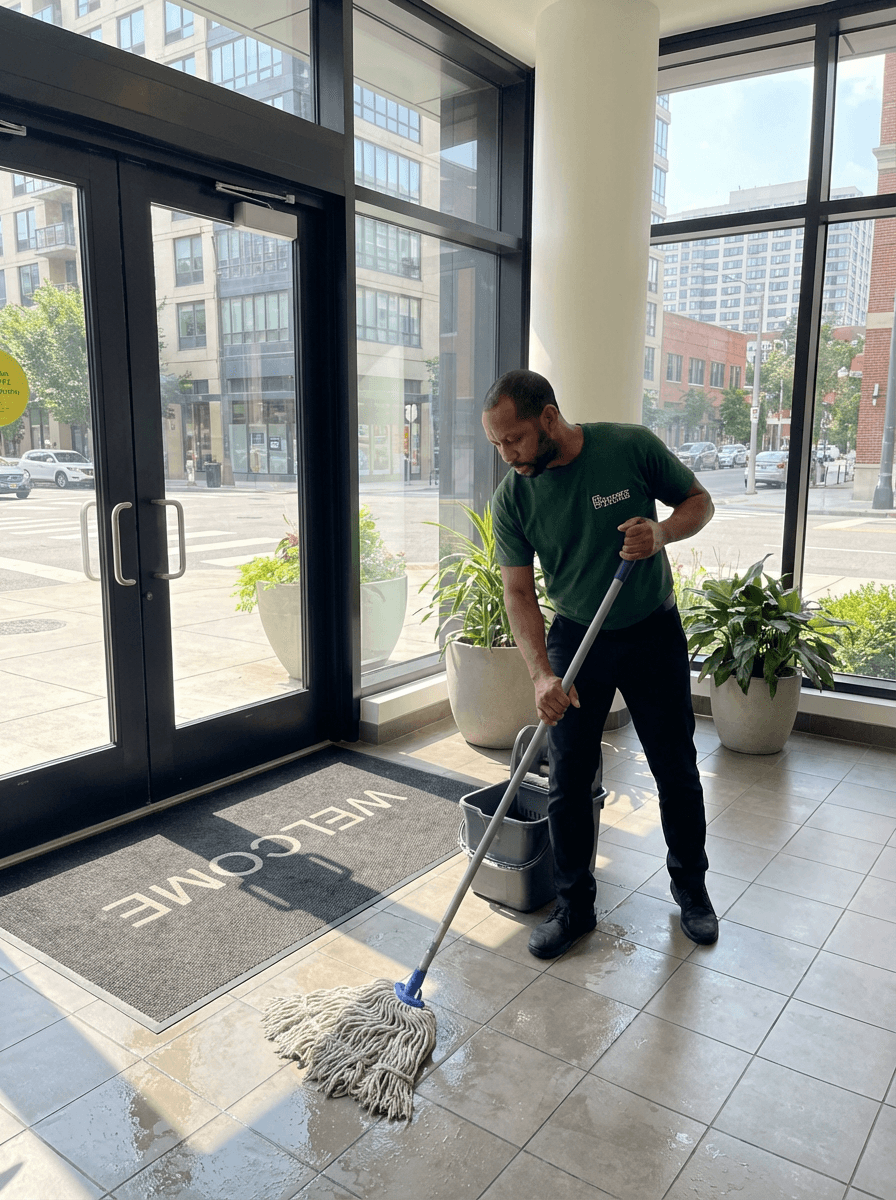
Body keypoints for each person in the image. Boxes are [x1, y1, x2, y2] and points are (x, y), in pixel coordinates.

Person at [482, 368, 718, 958]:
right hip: (576, 636)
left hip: (651, 629)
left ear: (549, 418)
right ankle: (574, 906)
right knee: (568, 779)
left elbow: (700, 502)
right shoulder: (513, 497)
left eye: (514, 439)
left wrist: (661, 533)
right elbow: (518, 592)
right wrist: (541, 674)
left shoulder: (628, 447)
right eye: (496, 444)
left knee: (675, 767)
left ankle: (692, 890)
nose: (507, 454)